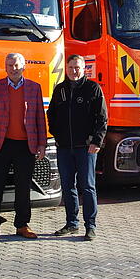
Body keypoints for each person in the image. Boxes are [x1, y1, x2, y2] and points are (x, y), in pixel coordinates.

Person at [0, 53, 47, 240]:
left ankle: (22, 225)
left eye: (16, 65)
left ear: (23, 66)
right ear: (5, 67)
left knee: (23, 187)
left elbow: (40, 118)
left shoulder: (34, 88)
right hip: (0, 145)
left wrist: (41, 143)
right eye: (9, 65)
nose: (13, 68)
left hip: (26, 145)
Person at [46, 55, 107, 241]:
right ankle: (72, 223)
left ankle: (91, 226)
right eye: (71, 67)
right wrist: (57, 135)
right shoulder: (60, 90)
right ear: (67, 68)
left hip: (86, 148)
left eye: (77, 67)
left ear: (84, 69)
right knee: (67, 186)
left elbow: (102, 118)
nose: (74, 71)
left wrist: (96, 141)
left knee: (88, 187)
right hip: (64, 147)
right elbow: (52, 114)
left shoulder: (93, 89)